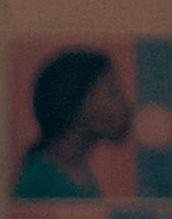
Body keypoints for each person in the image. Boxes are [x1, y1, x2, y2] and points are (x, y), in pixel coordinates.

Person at [14, 47, 130, 199]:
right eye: (113, 92)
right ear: (78, 103)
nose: (126, 105)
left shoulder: (80, 177)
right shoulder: (39, 183)